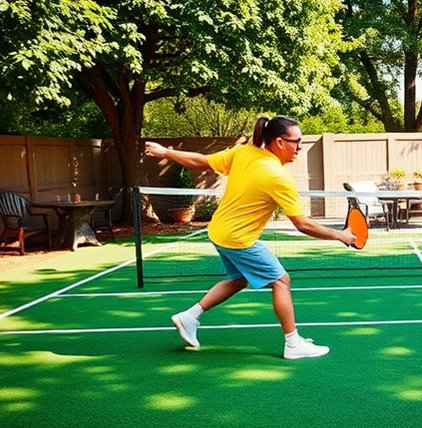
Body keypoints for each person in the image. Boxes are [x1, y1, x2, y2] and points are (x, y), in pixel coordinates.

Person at [144, 116, 355, 359]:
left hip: (218, 231)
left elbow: (201, 161)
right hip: (238, 238)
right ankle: (293, 344)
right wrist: (342, 236)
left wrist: (166, 153)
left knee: (238, 280)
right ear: (278, 142)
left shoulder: (243, 153)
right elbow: (303, 224)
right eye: (296, 141)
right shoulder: (278, 177)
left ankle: (189, 317)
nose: (299, 147)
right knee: (281, 282)